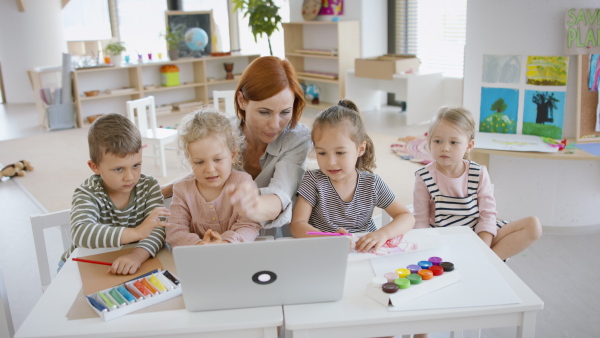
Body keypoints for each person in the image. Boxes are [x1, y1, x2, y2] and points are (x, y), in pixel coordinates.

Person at [162, 56, 311, 237]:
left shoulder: (297, 138)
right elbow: (203, 167)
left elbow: (281, 194)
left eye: (285, 112)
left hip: (267, 234)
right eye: (264, 112)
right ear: (242, 100)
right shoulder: (224, 131)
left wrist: (254, 205)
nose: (275, 124)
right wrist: (158, 191)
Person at [413, 107, 542, 261]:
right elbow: (421, 223)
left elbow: (487, 216)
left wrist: (482, 248)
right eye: (438, 141)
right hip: (444, 239)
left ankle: (488, 262)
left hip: (478, 235)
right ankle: (478, 262)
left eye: (454, 142)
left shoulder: (478, 173)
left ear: (468, 146)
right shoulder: (424, 177)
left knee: (533, 225)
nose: (445, 147)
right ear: (429, 142)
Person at [290, 100, 415, 253]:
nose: (331, 162)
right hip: (324, 252)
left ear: (360, 148)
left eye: (340, 152)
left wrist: (382, 234)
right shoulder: (313, 180)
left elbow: (406, 216)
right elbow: (297, 225)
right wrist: (326, 238)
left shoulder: (372, 183)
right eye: (322, 153)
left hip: (363, 254)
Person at [60, 114, 170, 275]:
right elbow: (80, 232)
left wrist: (137, 256)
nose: (130, 177)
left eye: (136, 165)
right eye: (119, 169)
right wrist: (135, 233)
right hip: (81, 265)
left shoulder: (149, 186)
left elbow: (158, 229)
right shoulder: (87, 192)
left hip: (125, 261)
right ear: (95, 167)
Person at [166, 109, 262, 246]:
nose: (210, 169)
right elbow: (174, 231)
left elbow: (250, 223)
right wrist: (198, 245)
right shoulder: (182, 189)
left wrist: (226, 242)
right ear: (190, 160)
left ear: (233, 155)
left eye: (217, 159)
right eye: (199, 162)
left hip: (236, 253)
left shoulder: (243, 182)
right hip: (197, 258)